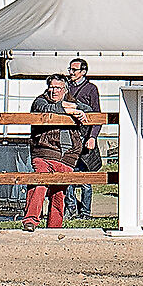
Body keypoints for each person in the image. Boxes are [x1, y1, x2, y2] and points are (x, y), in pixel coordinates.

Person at [26, 75, 84, 232]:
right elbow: (45, 109)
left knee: (59, 192)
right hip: (44, 152)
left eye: (58, 88)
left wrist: (77, 110)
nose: (54, 91)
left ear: (65, 89)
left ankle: (54, 227)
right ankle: (30, 220)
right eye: (51, 87)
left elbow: (90, 110)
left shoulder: (72, 102)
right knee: (40, 182)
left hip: (68, 156)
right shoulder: (40, 101)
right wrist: (68, 109)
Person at [64, 57, 104, 218]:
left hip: (85, 137)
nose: (71, 73)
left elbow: (97, 114)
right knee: (68, 175)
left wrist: (93, 136)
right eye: (70, 69)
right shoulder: (65, 88)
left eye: (74, 70)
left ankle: (85, 212)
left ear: (83, 72)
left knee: (85, 178)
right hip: (69, 139)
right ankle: (71, 208)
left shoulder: (91, 89)